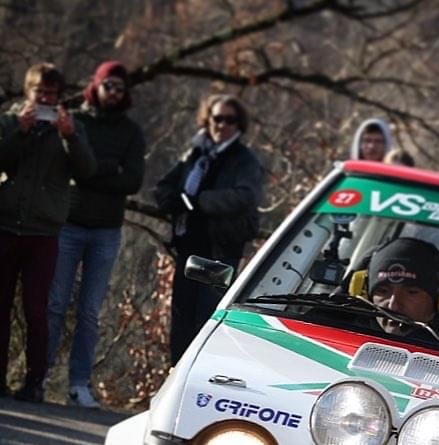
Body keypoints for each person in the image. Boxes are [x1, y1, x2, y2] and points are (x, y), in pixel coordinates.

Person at [45, 61, 145, 408]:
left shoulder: (131, 132)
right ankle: (40, 374)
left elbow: (132, 180)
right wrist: (105, 169)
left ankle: (79, 384)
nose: (114, 93)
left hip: (106, 230)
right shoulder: (75, 121)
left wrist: (90, 170)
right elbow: (70, 169)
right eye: (108, 86)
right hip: (68, 224)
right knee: (55, 304)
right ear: (96, 86)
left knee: (89, 311)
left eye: (120, 88)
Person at [0, 63, 96, 401]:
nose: (44, 99)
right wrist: (20, 131)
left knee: (37, 310)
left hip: (44, 232)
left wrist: (69, 136)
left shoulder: (71, 127)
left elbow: (87, 170)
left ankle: (34, 382)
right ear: (28, 91)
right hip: (6, 225)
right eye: (39, 92)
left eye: (51, 94)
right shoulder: (9, 121)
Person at [154, 94, 263, 365]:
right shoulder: (196, 154)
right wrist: (175, 201)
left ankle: (200, 376)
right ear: (208, 119)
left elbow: (246, 196)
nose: (222, 125)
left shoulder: (244, 160)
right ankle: (175, 374)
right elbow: (165, 186)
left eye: (230, 120)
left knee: (206, 322)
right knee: (181, 321)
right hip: (188, 249)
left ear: (239, 124)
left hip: (219, 252)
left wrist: (200, 201)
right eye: (217, 118)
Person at [367, 237, 439, 336]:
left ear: (438, 300)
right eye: (383, 291)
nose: (393, 306)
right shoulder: (348, 336)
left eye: (411, 292)